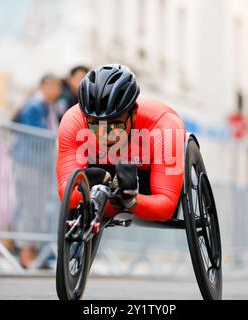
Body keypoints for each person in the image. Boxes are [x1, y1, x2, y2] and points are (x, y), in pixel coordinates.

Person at [56, 64, 185, 222]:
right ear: (85, 118)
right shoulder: (73, 120)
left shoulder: (165, 126)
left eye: (116, 125)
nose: (106, 135)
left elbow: (165, 208)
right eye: (96, 125)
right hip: (103, 173)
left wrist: (130, 200)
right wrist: (91, 187)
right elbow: (66, 194)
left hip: (146, 177)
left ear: (134, 112)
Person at [13, 74, 64, 268]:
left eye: (57, 86)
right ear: (41, 86)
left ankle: (33, 251)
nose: (54, 90)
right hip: (28, 162)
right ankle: (25, 253)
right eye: (50, 86)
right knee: (29, 208)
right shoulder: (34, 106)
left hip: (40, 164)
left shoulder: (49, 107)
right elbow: (35, 135)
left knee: (38, 209)